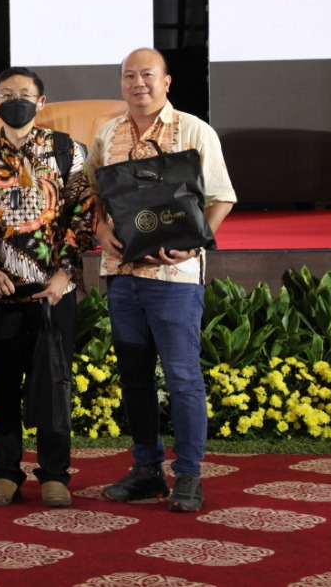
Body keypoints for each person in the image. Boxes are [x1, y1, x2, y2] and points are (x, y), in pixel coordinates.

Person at [89, 48, 236, 513]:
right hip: (122, 274)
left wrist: (194, 243)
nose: (139, 83)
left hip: (174, 276)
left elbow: (222, 197)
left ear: (166, 81)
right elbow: (93, 195)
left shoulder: (193, 130)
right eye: (129, 76)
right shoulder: (107, 132)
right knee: (135, 379)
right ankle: (146, 471)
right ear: (121, 83)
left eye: (147, 75)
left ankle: (188, 475)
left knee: (182, 378)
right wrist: (101, 230)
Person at [0, 68, 96, 508]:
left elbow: (83, 214)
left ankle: (55, 474)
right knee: (3, 386)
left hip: (52, 293)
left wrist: (64, 275)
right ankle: (5, 473)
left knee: (53, 384)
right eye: (7, 94)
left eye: (25, 93)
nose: (16, 100)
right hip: (1, 292)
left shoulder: (66, 149)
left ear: (41, 102)